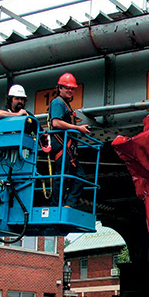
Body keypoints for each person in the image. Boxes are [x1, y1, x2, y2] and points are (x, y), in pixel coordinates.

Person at [48, 73, 90, 208]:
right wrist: (78, 128)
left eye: (72, 88)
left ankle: (68, 205)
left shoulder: (65, 104)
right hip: (61, 145)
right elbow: (56, 123)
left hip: (68, 148)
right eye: (67, 88)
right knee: (62, 177)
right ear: (60, 88)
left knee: (79, 176)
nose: (70, 91)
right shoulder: (58, 102)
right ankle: (56, 207)